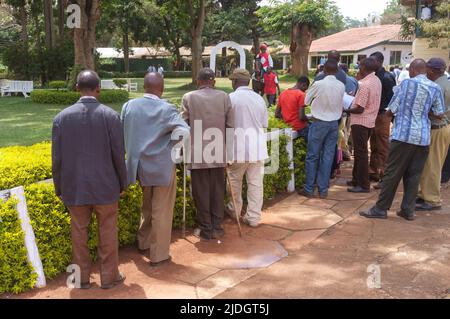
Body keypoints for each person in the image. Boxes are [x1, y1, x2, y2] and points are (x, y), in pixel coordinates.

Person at [52, 70, 127, 290]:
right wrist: (122, 183)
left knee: (78, 233)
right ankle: (109, 277)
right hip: (106, 187)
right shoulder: (110, 116)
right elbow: (118, 155)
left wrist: (59, 188)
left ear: (76, 88)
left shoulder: (61, 118)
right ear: (98, 89)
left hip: (74, 188)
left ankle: (80, 279)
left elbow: (57, 159)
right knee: (108, 232)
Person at [359, 59, 445, 221]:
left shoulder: (406, 84)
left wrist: (404, 111)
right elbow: (439, 114)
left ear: (413, 69)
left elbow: (390, 111)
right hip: (422, 138)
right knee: (414, 174)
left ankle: (381, 208)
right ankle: (407, 210)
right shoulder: (435, 87)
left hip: (403, 136)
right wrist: (424, 111)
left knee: (392, 173)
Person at [121, 73, 190, 266]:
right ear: (162, 89)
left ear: (144, 86)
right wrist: (172, 146)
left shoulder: (129, 106)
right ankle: (158, 255)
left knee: (147, 206)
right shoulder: (167, 108)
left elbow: (121, 132)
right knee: (162, 210)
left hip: (137, 167)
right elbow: (185, 131)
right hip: (161, 167)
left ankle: (143, 243)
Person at [181, 68, 234, 241]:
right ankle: (217, 227)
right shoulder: (225, 97)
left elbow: (183, 125)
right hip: (219, 150)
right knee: (218, 190)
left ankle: (205, 228)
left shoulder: (188, 97)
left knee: (201, 191)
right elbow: (230, 127)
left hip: (198, 152)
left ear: (198, 81)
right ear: (214, 82)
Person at [226, 69, 268, 228]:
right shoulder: (259, 99)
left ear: (235, 82)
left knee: (234, 182)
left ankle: (234, 210)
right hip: (257, 147)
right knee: (256, 183)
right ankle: (253, 217)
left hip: (238, 148)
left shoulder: (230, 98)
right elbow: (264, 124)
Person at [301, 60, 345, 199]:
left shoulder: (319, 84)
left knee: (313, 156)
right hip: (333, 124)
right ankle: (323, 189)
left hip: (319, 123)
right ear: (337, 71)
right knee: (327, 156)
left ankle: (309, 188)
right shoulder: (341, 85)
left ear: (323, 71)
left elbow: (305, 101)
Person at [416, 58, 450, 211]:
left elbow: (438, 113)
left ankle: (432, 199)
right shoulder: (445, 81)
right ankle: (425, 194)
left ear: (431, 70)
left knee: (433, 165)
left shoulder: (438, 86)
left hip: (438, 127)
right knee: (429, 163)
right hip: (442, 128)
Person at [344, 57, 382, 193]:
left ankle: (364, 185)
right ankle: (356, 179)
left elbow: (359, 108)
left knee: (361, 154)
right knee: (361, 152)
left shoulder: (365, 85)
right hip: (370, 120)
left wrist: (345, 109)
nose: (359, 68)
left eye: (360, 66)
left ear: (364, 68)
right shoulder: (376, 80)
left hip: (360, 121)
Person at [368, 51, 397, 184]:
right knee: (373, 144)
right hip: (373, 114)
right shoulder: (374, 76)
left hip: (382, 115)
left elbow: (393, 99)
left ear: (379, 62)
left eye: (373, 61)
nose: (370, 63)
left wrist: (388, 115)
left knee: (383, 146)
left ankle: (385, 176)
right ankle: (373, 171)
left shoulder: (387, 77)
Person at [276, 76, 310, 140]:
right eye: (305, 89)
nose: (305, 91)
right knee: (318, 142)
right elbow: (301, 117)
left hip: (288, 126)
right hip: (300, 127)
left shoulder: (283, 93)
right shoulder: (301, 94)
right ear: (303, 85)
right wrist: (308, 119)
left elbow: (277, 114)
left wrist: (288, 118)